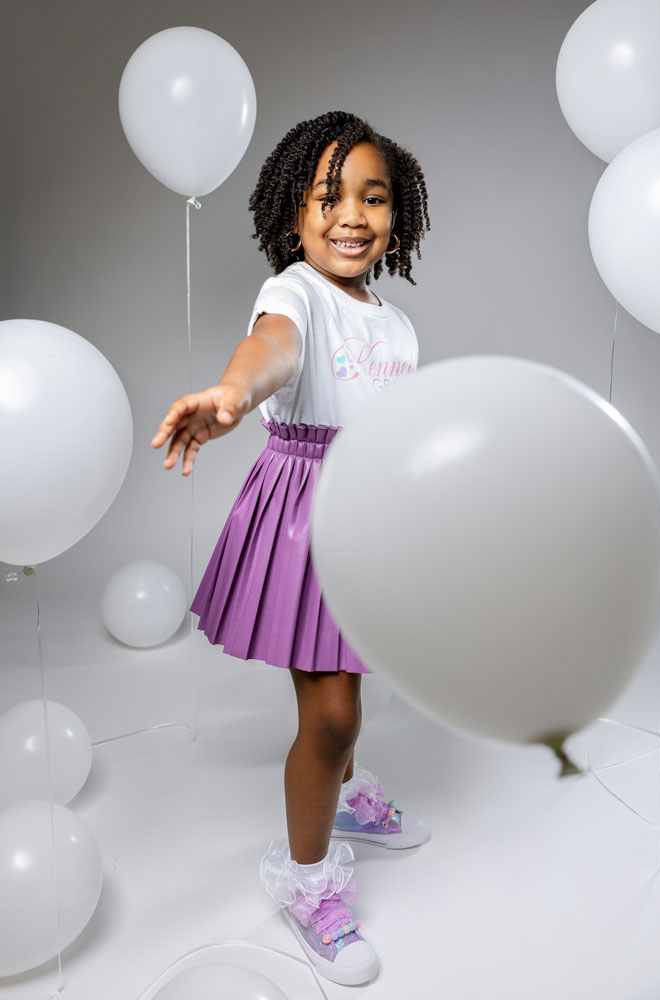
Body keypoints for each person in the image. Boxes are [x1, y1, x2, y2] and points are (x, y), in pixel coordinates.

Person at [151, 110, 431, 987]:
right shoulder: (294, 293)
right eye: (327, 196)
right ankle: (306, 882)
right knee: (334, 711)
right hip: (305, 512)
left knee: (352, 676)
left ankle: (347, 798)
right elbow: (272, 351)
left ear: (398, 214)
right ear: (290, 213)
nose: (351, 215)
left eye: (372, 198)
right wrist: (234, 393)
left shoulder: (394, 323)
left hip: (369, 507)